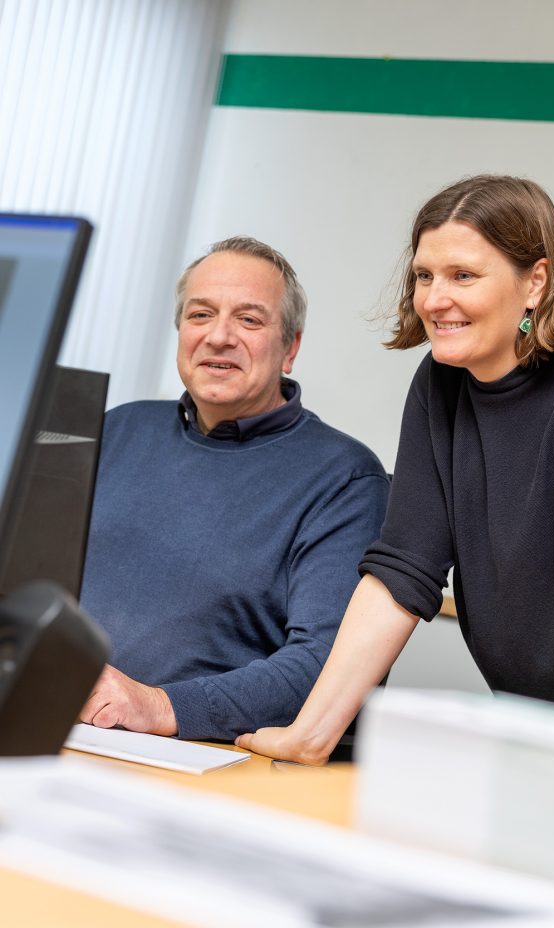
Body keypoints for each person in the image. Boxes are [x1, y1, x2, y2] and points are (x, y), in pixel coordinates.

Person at [236, 174, 554, 765]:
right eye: (424, 275)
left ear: (535, 281)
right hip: (549, 738)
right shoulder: (443, 383)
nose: (435, 299)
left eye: (463, 275)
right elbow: (402, 570)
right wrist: (310, 734)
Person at [79, 236, 390, 740]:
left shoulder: (345, 479)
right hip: (60, 723)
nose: (219, 336)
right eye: (201, 315)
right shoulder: (118, 428)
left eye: (249, 319)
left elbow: (328, 666)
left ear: (290, 347)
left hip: (199, 754)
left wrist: (159, 706)